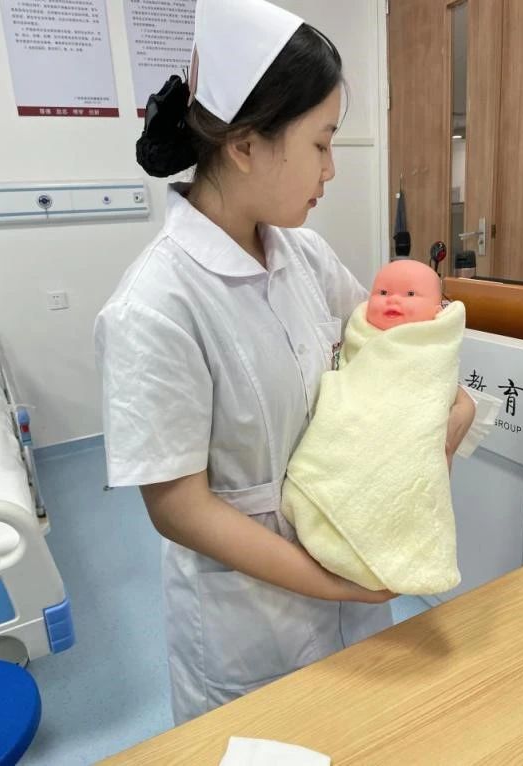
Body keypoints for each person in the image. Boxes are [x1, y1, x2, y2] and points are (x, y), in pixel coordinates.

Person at [94, 0, 478, 725]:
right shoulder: (155, 307)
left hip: (351, 569)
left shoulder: (304, 255)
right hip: (252, 622)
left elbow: (385, 351)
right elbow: (178, 508)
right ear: (245, 144)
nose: (332, 169)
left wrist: (441, 421)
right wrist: (334, 585)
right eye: (321, 143)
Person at [282, 260, 490, 596]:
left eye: (410, 294)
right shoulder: (363, 333)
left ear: (438, 311)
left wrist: (461, 405)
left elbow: (432, 376)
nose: (392, 299)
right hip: (341, 448)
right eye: (382, 292)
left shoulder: (429, 343)